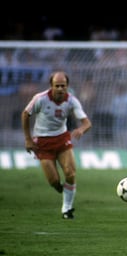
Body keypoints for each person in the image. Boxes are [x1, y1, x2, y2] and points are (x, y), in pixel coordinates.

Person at [21, 71, 92, 219]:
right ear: (51, 86)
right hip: (42, 142)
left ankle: (67, 209)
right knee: (54, 181)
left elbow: (87, 122)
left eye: (63, 86)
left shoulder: (72, 101)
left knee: (70, 173)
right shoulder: (40, 99)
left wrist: (81, 129)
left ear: (67, 86)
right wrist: (28, 139)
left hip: (62, 139)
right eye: (57, 86)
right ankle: (63, 190)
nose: (60, 89)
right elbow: (25, 114)